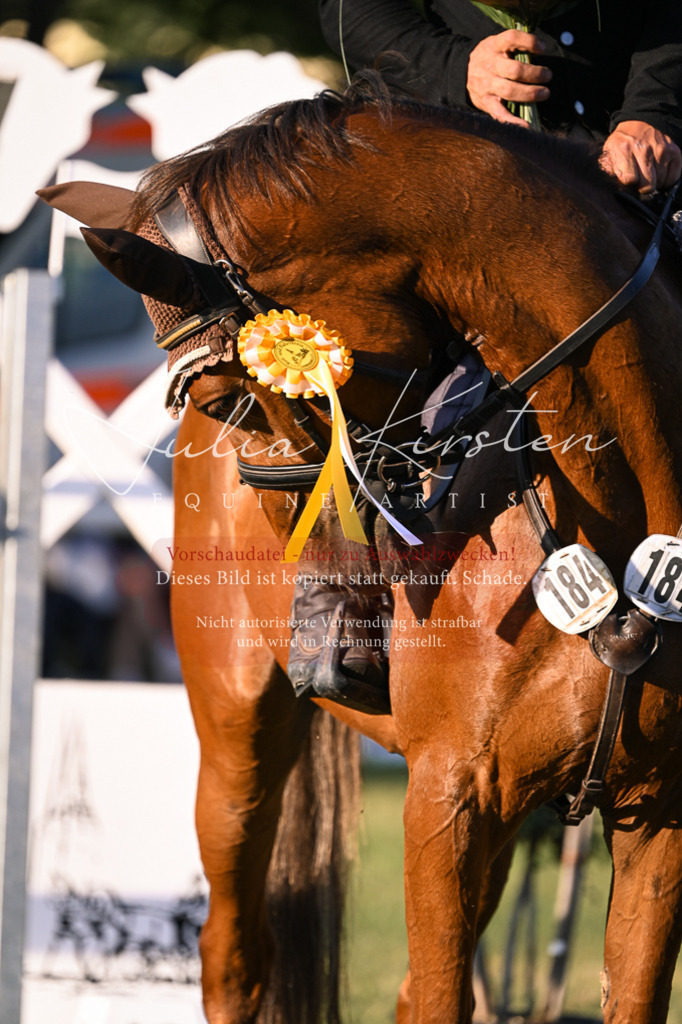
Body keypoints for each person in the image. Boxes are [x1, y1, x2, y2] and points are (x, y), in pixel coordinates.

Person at [318, 0, 682, 194]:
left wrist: (653, 110)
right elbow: (349, 8)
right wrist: (456, 67)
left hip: (658, 154)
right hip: (474, 162)